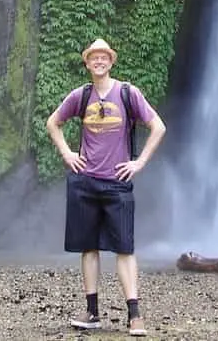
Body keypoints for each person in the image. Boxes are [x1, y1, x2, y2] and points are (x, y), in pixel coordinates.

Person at [46, 38, 166, 336]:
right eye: (93, 58)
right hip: (85, 181)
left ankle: (135, 315)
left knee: (124, 248)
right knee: (89, 247)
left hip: (117, 183)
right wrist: (67, 153)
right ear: (87, 63)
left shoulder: (127, 93)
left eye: (104, 57)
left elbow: (158, 127)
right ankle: (92, 312)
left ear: (111, 62)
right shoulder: (81, 95)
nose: (99, 61)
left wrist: (139, 163)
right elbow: (53, 123)